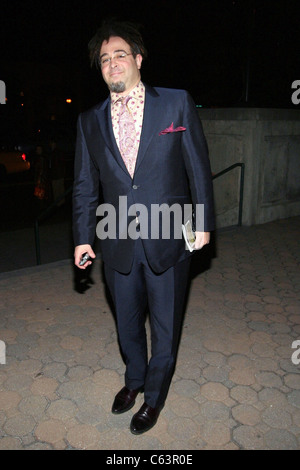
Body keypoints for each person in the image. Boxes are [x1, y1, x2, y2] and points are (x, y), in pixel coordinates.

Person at [73, 19, 215, 435]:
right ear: (100, 70)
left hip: (169, 236)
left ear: (137, 59)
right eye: (104, 59)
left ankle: (154, 396)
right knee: (128, 322)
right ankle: (134, 380)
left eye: (120, 54)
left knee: (166, 325)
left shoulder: (175, 103)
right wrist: (82, 238)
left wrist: (203, 223)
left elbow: (199, 169)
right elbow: (84, 186)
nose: (112, 63)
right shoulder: (88, 120)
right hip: (116, 240)